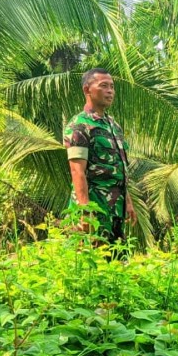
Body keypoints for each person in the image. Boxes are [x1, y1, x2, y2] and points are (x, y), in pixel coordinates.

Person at [64, 68, 136, 243]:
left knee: (116, 264)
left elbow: (119, 168)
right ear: (87, 90)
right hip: (94, 207)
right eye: (103, 86)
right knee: (89, 262)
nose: (110, 91)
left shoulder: (113, 126)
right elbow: (77, 172)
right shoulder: (79, 126)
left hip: (115, 209)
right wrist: (85, 211)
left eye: (112, 86)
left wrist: (128, 201)